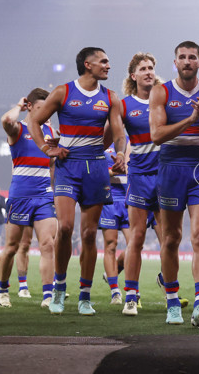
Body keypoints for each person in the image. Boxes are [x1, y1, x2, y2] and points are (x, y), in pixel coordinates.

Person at [27, 47, 127, 316]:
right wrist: (47, 149)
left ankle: (85, 295)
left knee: (89, 234)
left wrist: (119, 152)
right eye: (103, 61)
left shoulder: (111, 97)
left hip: (96, 166)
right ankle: (59, 289)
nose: (108, 65)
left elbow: (118, 131)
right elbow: (35, 121)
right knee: (67, 227)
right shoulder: (63, 92)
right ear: (88, 64)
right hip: (68, 166)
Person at [150, 41, 199, 326]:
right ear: (175, 63)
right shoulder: (161, 92)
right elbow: (157, 136)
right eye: (181, 57)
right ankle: (172, 302)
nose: (186, 61)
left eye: (192, 57)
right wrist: (192, 118)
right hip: (171, 165)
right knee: (171, 238)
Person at [118, 52, 189, 316]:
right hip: (139, 177)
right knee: (136, 238)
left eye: (151, 67)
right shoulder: (125, 105)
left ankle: (168, 285)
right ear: (133, 76)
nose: (149, 71)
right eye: (143, 68)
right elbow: (114, 137)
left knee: (169, 240)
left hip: (165, 177)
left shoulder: (167, 99)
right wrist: (117, 156)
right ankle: (131, 297)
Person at [0, 89, 56, 309]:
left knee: (48, 244)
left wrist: (52, 189)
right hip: (20, 195)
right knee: (12, 247)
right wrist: (19, 105)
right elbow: (5, 119)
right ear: (30, 106)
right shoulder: (17, 130)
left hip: (43, 196)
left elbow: (51, 165)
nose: (46, 112)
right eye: (41, 107)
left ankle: (48, 295)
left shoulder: (50, 131)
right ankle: (4, 289)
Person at [98, 141, 130, 306]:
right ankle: (115, 291)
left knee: (135, 244)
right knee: (110, 245)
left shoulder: (130, 138)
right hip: (109, 198)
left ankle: (114, 271)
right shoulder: (102, 140)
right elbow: (95, 169)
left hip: (129, 198)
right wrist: (112, 172)